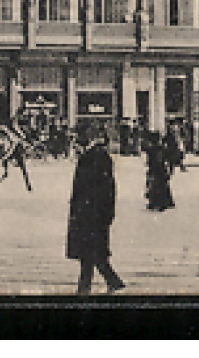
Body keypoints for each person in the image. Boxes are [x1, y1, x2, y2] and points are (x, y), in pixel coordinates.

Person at [66, 122, 125, 295]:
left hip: (92, 214)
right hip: (89, 214)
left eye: (78, 137)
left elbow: (107, 188)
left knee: (91, 254)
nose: (76, 141)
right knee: (93, 254)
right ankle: (109, 283)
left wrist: (105, 213)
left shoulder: (97, 156)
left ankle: (86, 289)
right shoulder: (92, 155)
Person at [143, 128, 175, 211]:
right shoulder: (159, 148)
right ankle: (161, 202)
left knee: (156, 186)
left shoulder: (155, 149)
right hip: (159, 170)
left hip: (157, 170)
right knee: (160, 186)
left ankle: (158, 203)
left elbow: (160, 159)